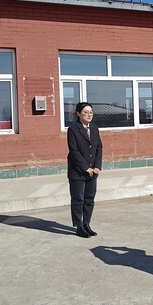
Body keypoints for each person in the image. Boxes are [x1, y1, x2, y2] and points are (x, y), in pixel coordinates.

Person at [67, 102, 103, 238]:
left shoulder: (94, 128)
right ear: (78, 114)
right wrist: (85, 168)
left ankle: (86, 223)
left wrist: (97, 166)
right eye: (85, 112)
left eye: (91, 112)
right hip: (78, 171)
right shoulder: (73, 129)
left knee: (89, 199)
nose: (89, 115)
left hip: (93, 170)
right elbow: (74, 151)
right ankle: (79, 226)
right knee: (78, 199)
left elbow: (99, 148)